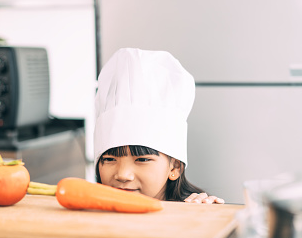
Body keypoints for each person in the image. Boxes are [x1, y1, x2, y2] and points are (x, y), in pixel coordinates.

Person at [94, 48, 224, 204]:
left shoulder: (190, 212)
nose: (123, 174)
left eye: (142, 159)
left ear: (174, 167)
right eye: (109, 159)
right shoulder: (91, 211)